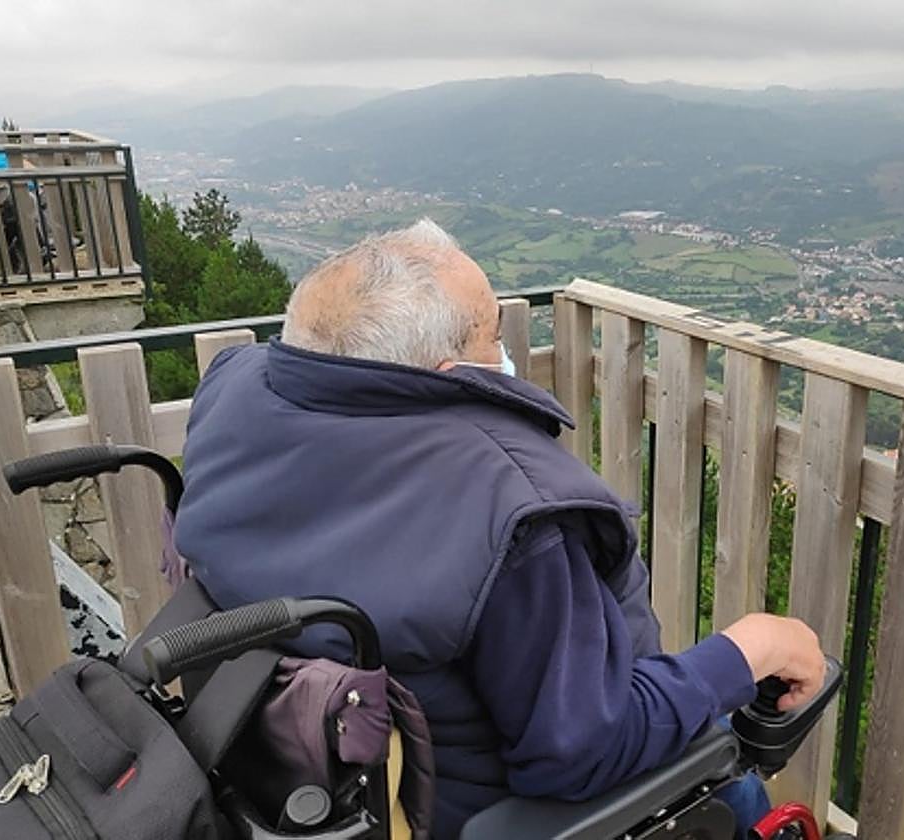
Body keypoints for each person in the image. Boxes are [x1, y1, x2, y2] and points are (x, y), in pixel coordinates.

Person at [172, 219, 827, 839]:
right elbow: (578, 753)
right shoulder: (509, 512)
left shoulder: (238, 401)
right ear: (448, 375)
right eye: (493, 333)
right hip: (488, 811)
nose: (505, 352)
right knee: (727, 771)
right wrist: (749, 651)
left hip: (301, 772)